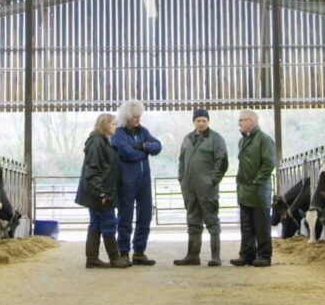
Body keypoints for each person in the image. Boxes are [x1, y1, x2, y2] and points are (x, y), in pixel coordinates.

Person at [174, 108, 229, 267]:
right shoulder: (187, 139)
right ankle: (192, 255)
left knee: (212, 221)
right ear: (194, 122)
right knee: (192, 221)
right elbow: (181, 161)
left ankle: (215, 256)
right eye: (198, 120)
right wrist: (182, 178)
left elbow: (222, 161)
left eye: (204, 120)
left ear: (208, 122)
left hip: (207, 188)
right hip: (189, 188)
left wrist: (213, 180)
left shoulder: (215, 139)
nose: (201, 123)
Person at [110, 99, 162, 266]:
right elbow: (127, 153)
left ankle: (139, 252)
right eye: (134, 117)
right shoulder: (118, 133)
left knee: (145, 215)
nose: (138, 119)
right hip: (126, 181)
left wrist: (142, 146)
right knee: (125, 216)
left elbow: (158, 146)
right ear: (127, 117)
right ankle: (123, 252)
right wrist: (144, 152)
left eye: (139, 116)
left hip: (144, 181)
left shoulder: (143, 131)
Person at [75, 113, 130, 268]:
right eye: (113, 124)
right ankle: (114, 258)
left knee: (96, 224)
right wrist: (101, 193)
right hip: (101, 193)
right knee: (108, 223)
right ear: (105, 125)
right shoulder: (97, 143)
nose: (116, 126)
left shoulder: (103, 142)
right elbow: (93, 169)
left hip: (99, 192)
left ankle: (92, 258)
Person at [230, 110, 276, 267]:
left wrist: (256, 181)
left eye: (242, 120)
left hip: (258, 191)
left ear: (252, 122)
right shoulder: (242, 141)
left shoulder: (264, 139)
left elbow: (269, 163)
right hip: (244, 190)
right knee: (246, 225)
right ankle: (247, 255)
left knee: (261, 225)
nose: (239, 123)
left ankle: (264, 255)